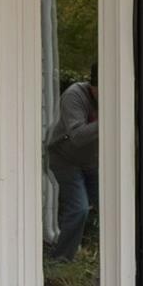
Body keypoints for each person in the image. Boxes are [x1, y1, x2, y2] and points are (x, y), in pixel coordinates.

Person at [45, 66, 99, 261]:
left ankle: (97, 251)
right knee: (79, 208)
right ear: (93, 86)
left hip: (92, 160)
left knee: (111, 204)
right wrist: (108, 120)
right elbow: (76, 135)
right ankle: (61, 259)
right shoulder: (74, 95)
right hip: (64, 158)